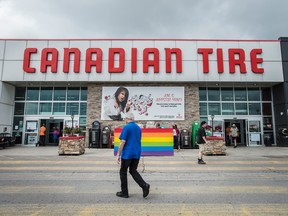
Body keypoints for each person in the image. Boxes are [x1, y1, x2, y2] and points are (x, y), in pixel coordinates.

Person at [116, 112, 150, 198]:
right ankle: (144, 185)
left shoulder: (126, 127)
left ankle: (124, 192)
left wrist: (118, 154)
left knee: (123, 171)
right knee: (133, 170)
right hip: (136, 153)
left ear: (127, 119)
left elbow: (122, 142)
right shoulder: (138, 128)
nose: (124, 120)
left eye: (124, 119)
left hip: (127, 154)